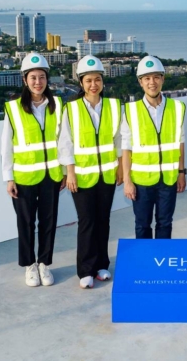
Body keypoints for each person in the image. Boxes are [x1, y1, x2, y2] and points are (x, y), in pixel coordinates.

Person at [59, 55, 122, 290]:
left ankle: (101, 265)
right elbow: (65, 143)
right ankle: (86, 269)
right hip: (83, 176)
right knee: (87, 221)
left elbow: (119, 139)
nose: (93, 84)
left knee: (103, 220)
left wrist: (120, 168)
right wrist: (70, 172)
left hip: (107, 174)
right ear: (81, 83)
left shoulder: (114, 106)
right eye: (88, 80)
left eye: (97, 79)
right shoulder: (72, 109)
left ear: (103, 81)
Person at [1, 52, 64, 288]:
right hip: (24, 177)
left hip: (51, 176)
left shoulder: (58, 106)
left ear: (47, 79)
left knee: (48, 222)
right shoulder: (13, 108)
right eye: (33, 77)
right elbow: (6, 145)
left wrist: (64, 172)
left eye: (42, 77)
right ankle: (29, 265)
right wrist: (9, 177)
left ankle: (44, 263)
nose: (38, 82)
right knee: (26, 223)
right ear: (25, 80)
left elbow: (64, 141)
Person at [121, 56, 187, 239]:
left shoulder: (177, 108)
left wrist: (181, 172)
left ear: (163, 79)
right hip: (141, 181)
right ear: (140, 82)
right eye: (147, 78)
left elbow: (180, 143)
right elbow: (126, 149)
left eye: (156, 77)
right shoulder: (130, 110)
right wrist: (127, 180)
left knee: (165, 223)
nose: (152, 82)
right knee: (142, 224)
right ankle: (144, 257)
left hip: (168, 179)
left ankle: (162, 256)